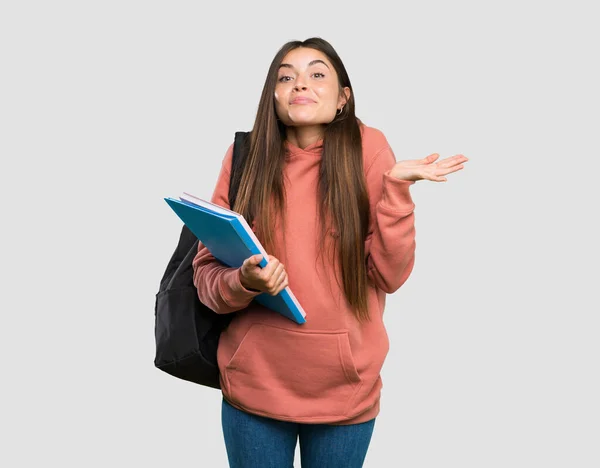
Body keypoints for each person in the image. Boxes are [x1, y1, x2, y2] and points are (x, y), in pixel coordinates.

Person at [192, 37, 468, 468]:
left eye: (317, 74)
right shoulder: (245, 157)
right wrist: (244, 281)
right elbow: (206, 277)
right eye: (286, 77)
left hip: (345, 391)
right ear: (274, 97)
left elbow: (391, 276)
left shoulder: (370, 149)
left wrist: (396, 192)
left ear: (343, 98)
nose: (300, 84)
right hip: (255, 385)